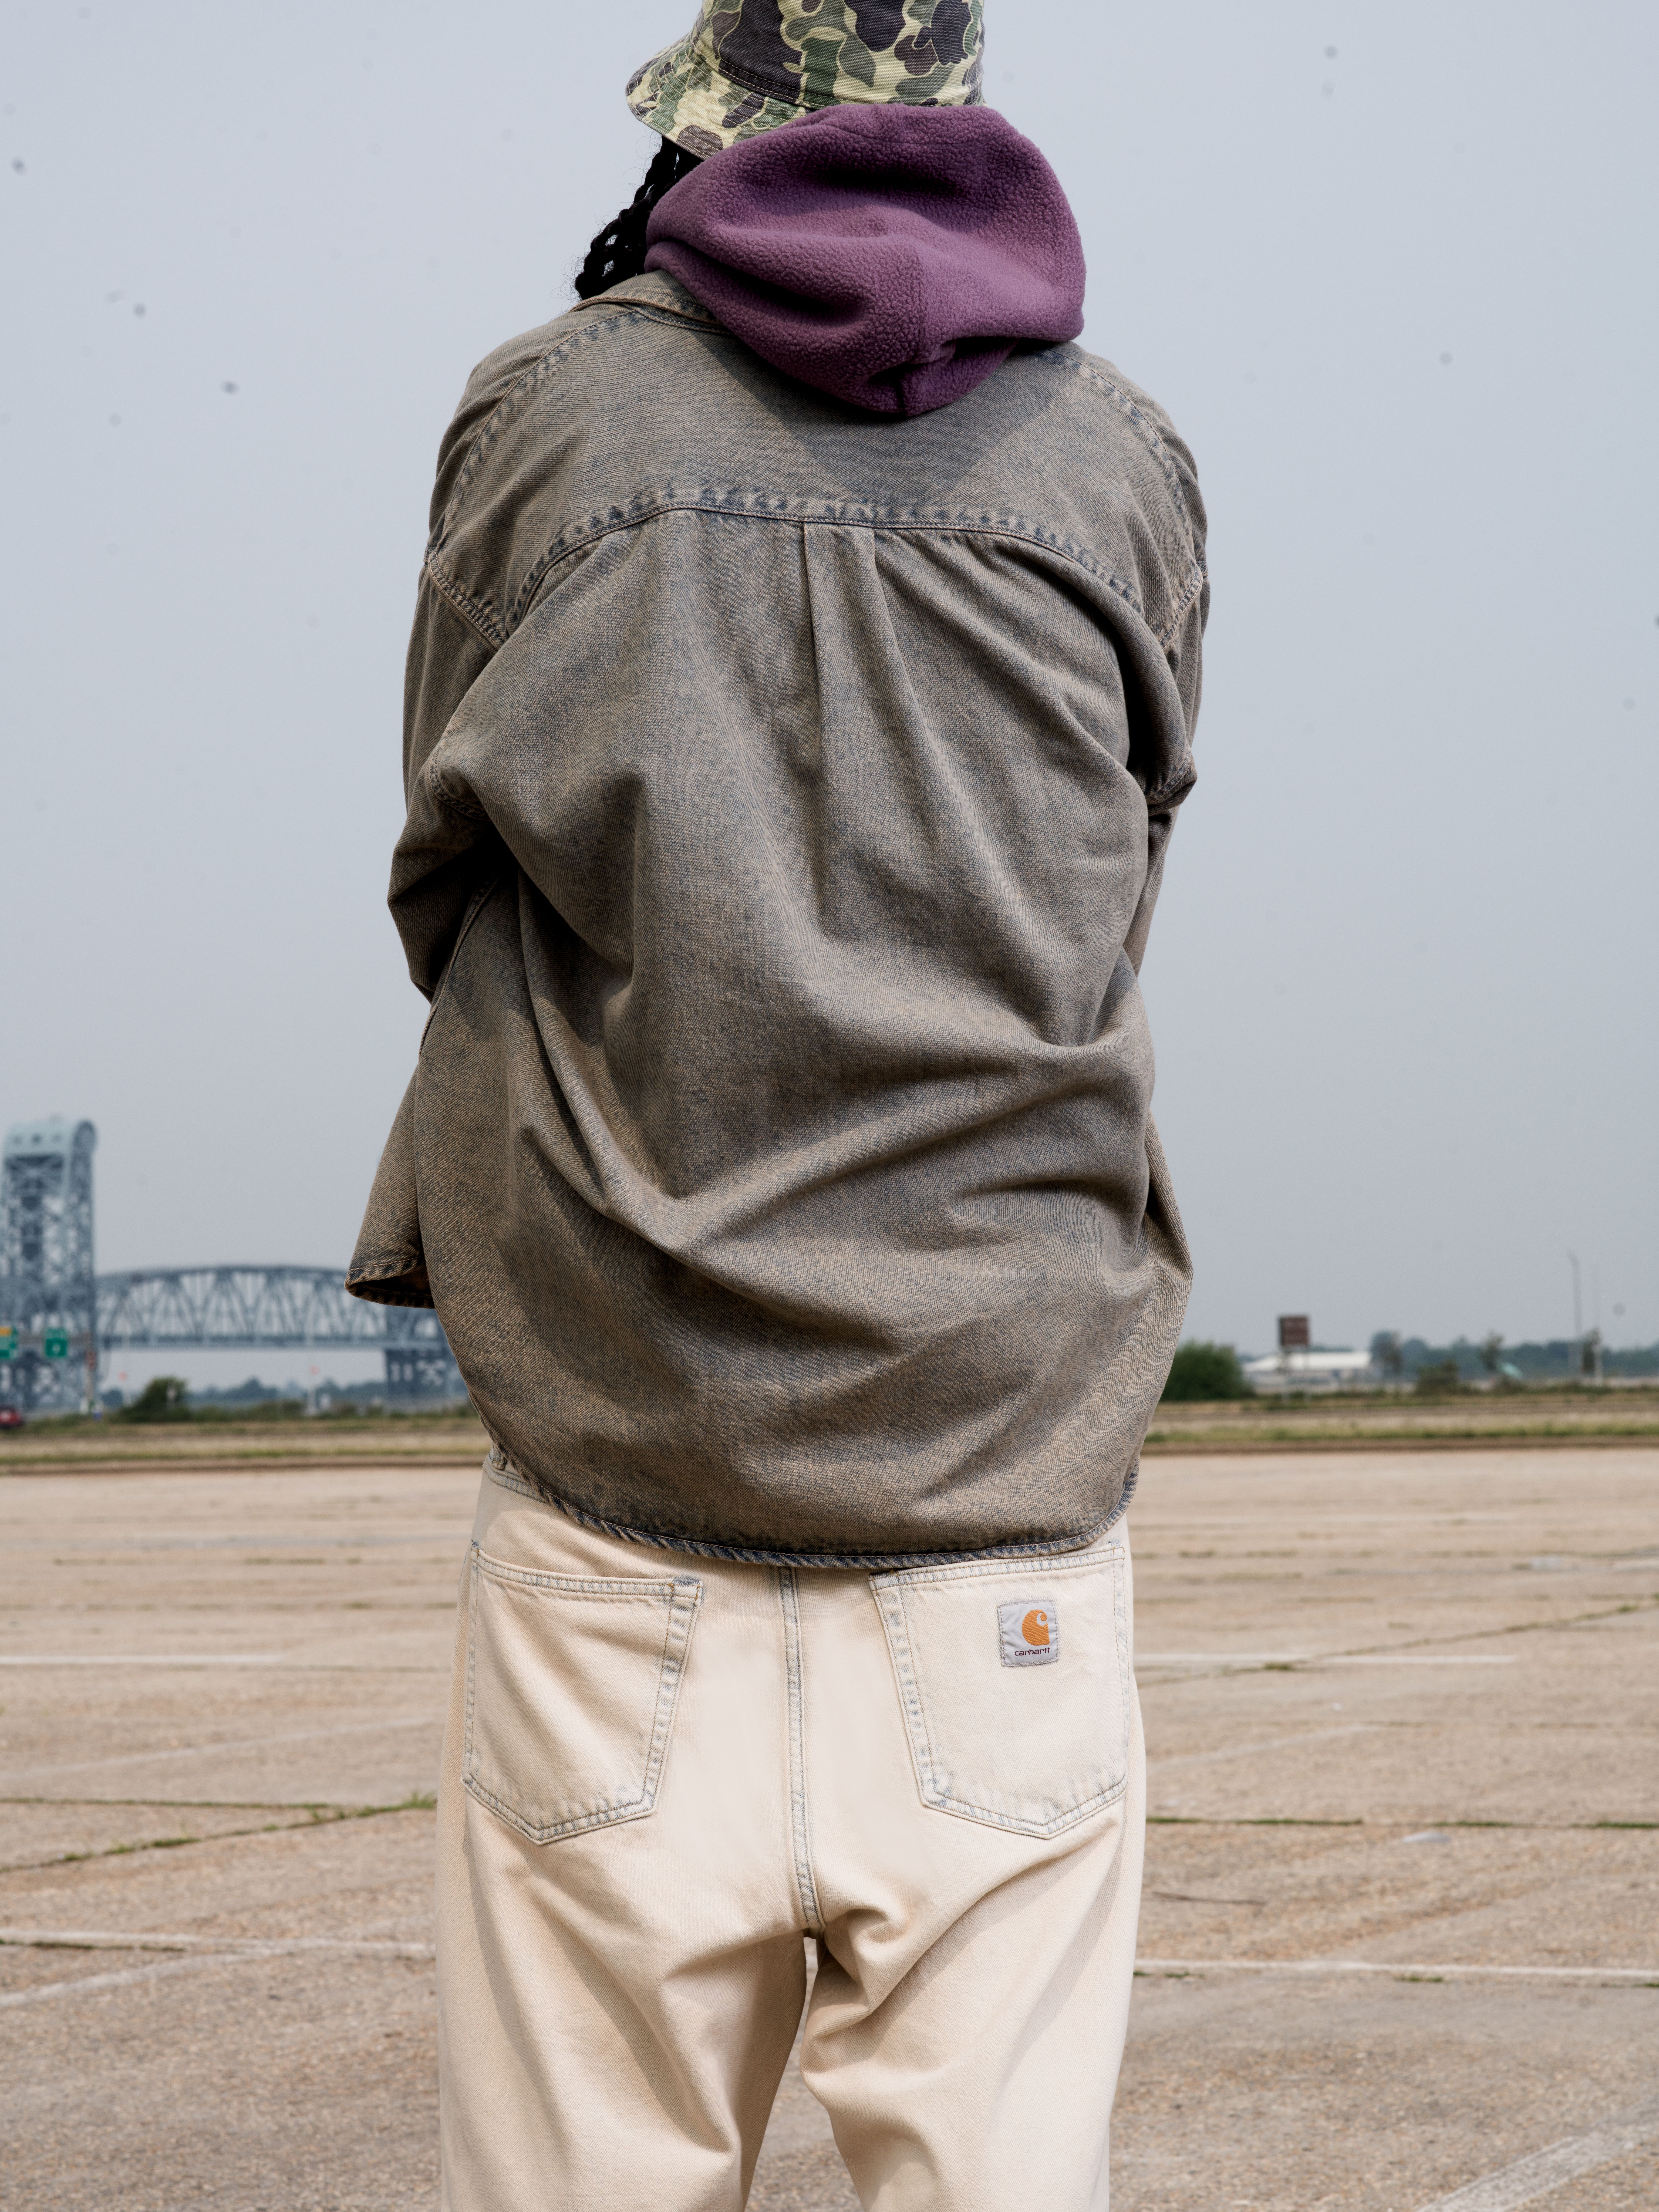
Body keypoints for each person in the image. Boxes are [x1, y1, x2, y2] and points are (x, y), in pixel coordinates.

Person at [348, 4, 1207, 2204]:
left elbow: (444, 857)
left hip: (621, 1491)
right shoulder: (1125, 460)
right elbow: (1113, 887)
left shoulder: (544, 417)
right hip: (1003, 1498)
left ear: (703, 135)